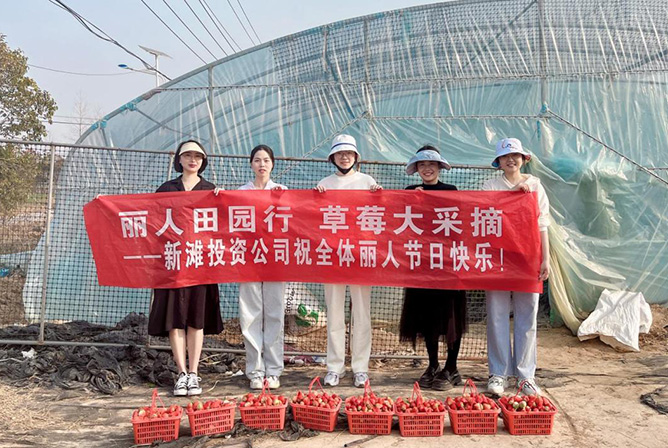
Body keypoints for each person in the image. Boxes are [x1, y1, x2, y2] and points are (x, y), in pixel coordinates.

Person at [148, 140, 224, 397]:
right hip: (173, 266)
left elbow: (224, 224)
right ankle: (181, 373)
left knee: (196, 319)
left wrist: (224, 200)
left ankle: (194, 372)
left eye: (198, 156)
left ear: (204, 161)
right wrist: (106, 203)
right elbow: (147, 216)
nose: (193, 160)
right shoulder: (166, 189)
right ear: (179, 160)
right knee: (175, 319)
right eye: (188, 155)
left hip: (200, 265)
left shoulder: (211, 190)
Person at [482, 137, 550, 396]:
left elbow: (542, 223)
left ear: (523, 159)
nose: (511, 160)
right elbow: (483, 217)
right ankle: (498, 373)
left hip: (528, 258)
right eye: (505, 156)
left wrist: (545, 258)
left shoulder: (535, 185)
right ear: (498, 162)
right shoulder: (490, 186)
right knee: (497, 315)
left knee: (527, 315)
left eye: (515, 156)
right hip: (497, 258)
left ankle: (525, 376)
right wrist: (512, 198)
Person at [314, 134, 382, 388]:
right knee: (334, 313)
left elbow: (379, 214)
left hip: (360, 257)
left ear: (356, 156)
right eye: (340, 153)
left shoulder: (367, 182)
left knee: (362, 313)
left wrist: (378, 195)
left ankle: (360, 368)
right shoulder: (324, 183)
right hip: (332, 257)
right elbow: (314, 218)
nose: (345, 157)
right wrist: (316, 197)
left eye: (349, 153)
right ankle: (335, 367)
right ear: (333, 157)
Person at [399, 145, 468, 390]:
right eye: (422, 164)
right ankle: (433, 365)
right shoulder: (409, 192)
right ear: (416, 169)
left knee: (450, 319)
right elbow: (397, 222)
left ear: (439, 167)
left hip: (448, 265)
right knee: (427, 318)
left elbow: (460, 225)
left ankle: (452, 367)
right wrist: (411, 201)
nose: (427, 169)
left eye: (431, 164)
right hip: (421, 265)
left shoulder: (451, 191)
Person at [237, 144, 287, 390]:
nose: (262, 164)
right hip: (249, 259)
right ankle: (255, 371)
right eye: (257, 160)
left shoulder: (282, 191)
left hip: (275, 259)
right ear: (251, 164)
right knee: (250, 315)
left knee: (275, 314)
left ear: (273, 164)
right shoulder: (240, 193)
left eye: (266, 160)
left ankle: (274, 370)